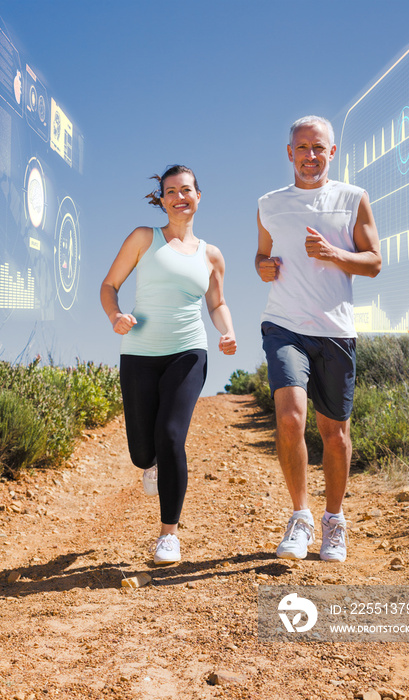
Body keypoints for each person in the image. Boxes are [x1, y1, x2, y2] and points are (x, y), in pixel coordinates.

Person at [255, 116, 381, 562]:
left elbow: (373, 262)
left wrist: (334, 254)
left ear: (332, 152)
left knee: (335, 433)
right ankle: (300, 517)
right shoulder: (269, 203)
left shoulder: (352, 199)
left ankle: (333, 521)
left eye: (319, 148)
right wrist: (262, 267)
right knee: (290, 418)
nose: (310, 156)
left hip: (335, 330)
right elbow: (262, 254)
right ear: (289, 153)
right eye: (302, 147)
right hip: (283, 324)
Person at [100, 164, 237, 565]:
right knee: (144, 452)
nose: (180, 196)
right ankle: (151, 464)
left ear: (198, 196)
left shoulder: (211, 254)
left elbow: (217, 303)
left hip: (188, 351)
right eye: (172, 190)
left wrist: (227, 332)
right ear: (161, 198)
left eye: (187, 190)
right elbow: (109, 286)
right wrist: (115, 316)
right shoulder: (144, 238)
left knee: (172, 434)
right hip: (139, 352)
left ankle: (168, 535)